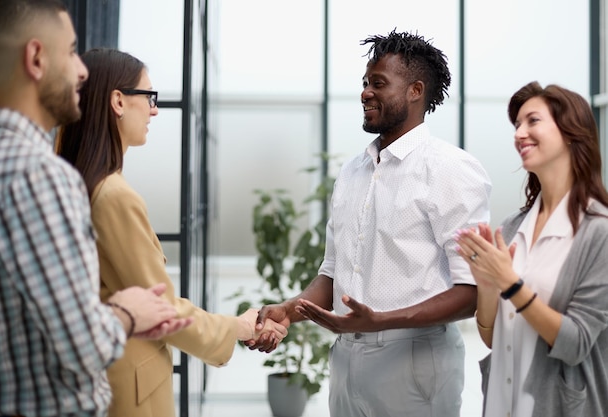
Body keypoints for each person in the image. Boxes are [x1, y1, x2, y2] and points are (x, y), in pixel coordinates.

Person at [249, 29, 492, 417]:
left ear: (415, 91)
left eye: (378, 83)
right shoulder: (353, 172)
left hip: (414, 363)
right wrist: (289, 309)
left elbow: (473, 290)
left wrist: (380, 321)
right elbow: (333, 273)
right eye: (364, 82)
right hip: (347, 359)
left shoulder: (450, 169)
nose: (365, 93)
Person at [0, 1, 193, 417]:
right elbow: (84, 344)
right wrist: (127, 311)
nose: (81, 71)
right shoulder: (39, 175)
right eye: (72, 51)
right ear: (37, 58)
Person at [55, 47, 288, 417]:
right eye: (148, 96)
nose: (154, 110)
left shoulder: (79, 183)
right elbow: (162, 311)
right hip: (130, 386)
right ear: (117, 101)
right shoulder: (113, 195)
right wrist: (240, 327)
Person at [455, 81, 608, 417]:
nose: (519, 133)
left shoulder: (599, 232)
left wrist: (511, 285)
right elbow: (493, 338)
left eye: (532, 121)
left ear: (570, 132)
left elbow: (577, 342)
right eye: (517, 125)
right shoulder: (512, 227)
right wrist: (487, 285)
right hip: (501, 405)